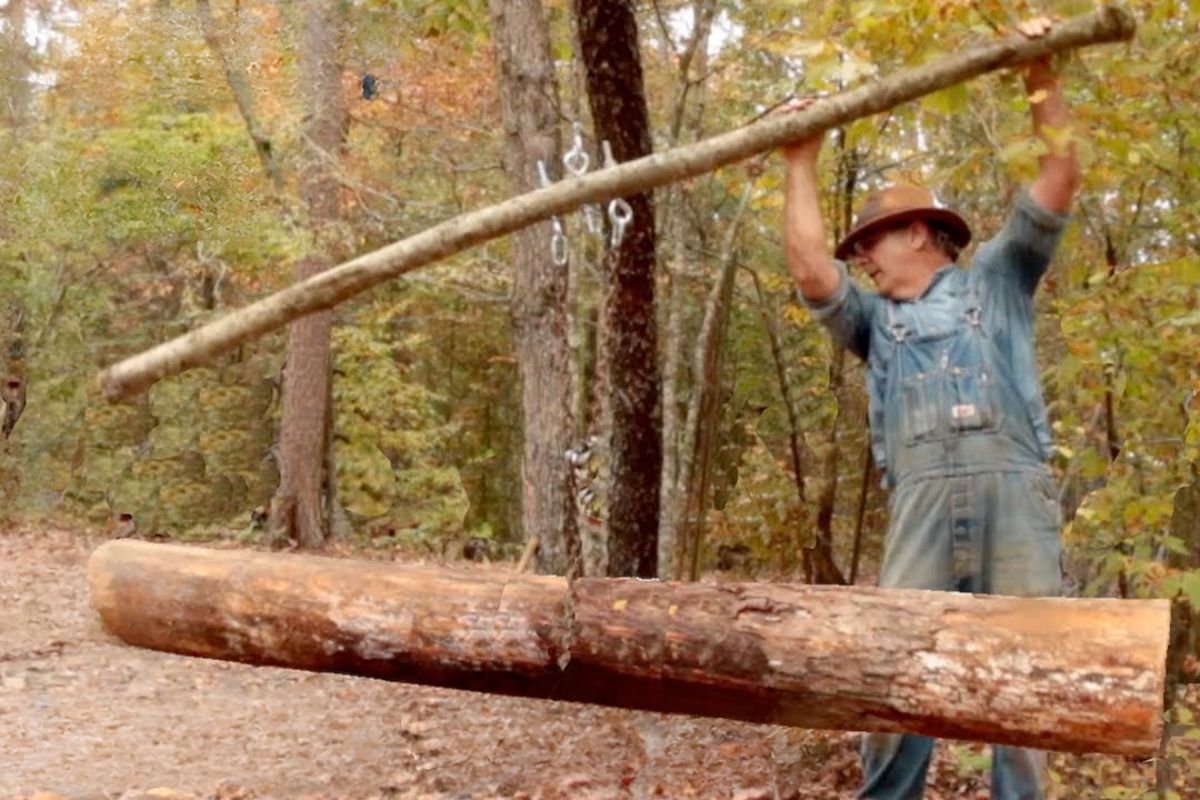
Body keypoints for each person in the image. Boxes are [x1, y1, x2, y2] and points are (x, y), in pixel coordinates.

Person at [777, 16, 1079, 800]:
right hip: (919, 513)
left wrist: (1037, 67)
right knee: (895, 670)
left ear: (919, 233)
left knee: (1021, 684)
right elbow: (811, 269)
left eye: (872, 242)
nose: (861, 260)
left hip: (1016, 501)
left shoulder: (1000, 279)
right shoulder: (875, 326)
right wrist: (799, 156)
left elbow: (1057, 177)